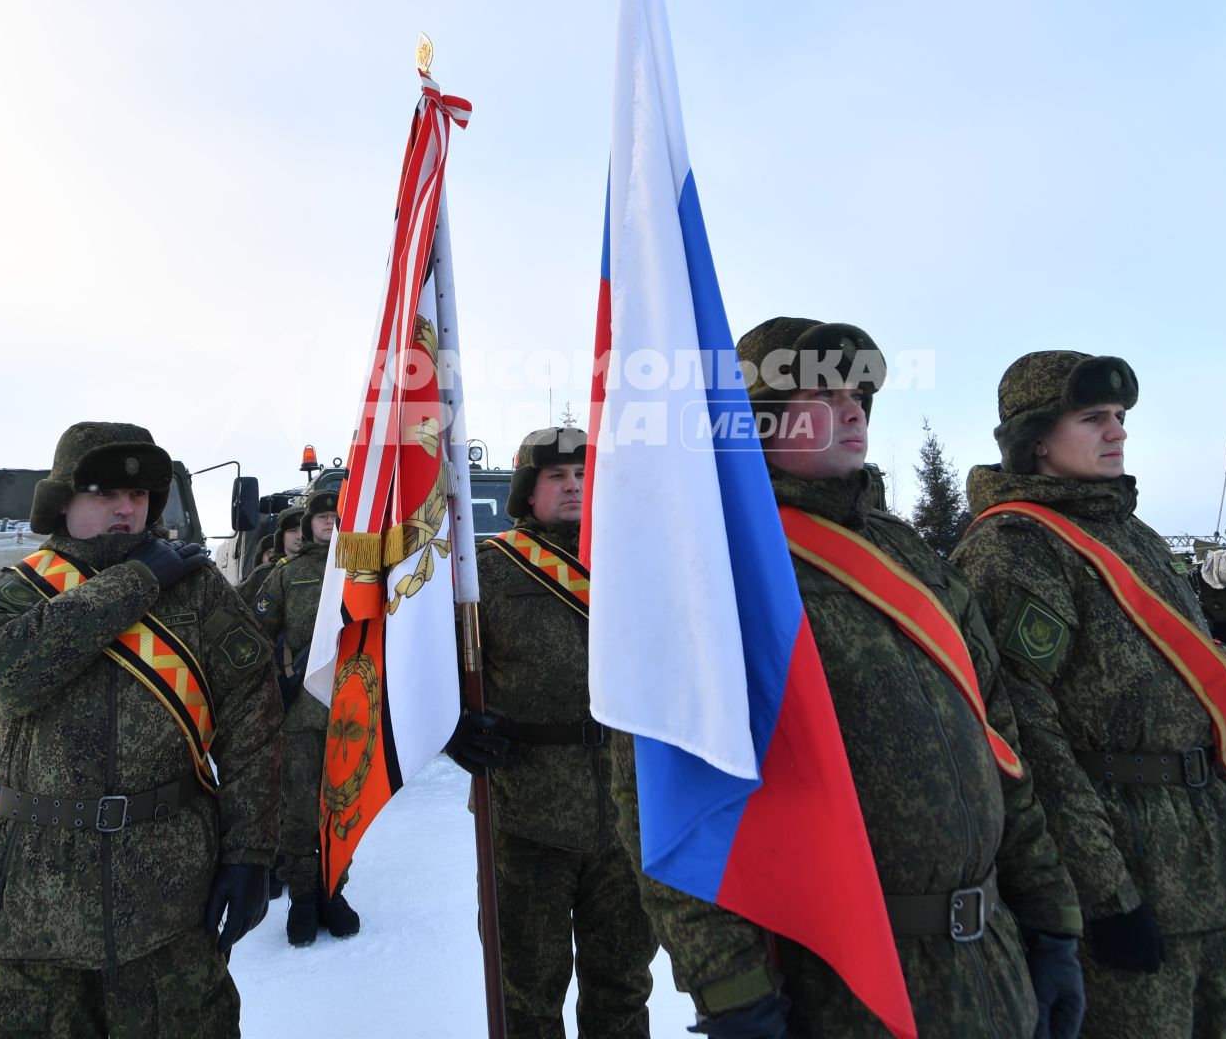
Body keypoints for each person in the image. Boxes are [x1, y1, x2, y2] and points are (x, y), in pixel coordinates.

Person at [614, 319, 1084, 1039]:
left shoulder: (908, 556)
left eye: (859, 390)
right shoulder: (713, 571)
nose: (854, 406)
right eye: (823, 391)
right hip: (837, 984)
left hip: (992, 966)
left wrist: (1052, 919)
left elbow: (1000, 743)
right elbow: (668, 800)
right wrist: (732, 988)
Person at [952, 353, 1226, 1038]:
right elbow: (1028, 740)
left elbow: (1206, 701)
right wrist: (1104, 897)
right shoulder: (1014, 550)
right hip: (1125, 878)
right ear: (1037, 438)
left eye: (1121, 417)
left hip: (1206, 865)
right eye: (1093, 418)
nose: (1118, 433)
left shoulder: (1134, 536)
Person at [0, 421, 283, 1037]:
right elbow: (9, 680)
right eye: (105, 492)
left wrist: (251, 855)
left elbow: (253, 728)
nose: (128, 507)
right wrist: (137, 581)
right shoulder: (9, 594)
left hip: (168, 892)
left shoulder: (200, 593)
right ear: (63, 502)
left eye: (142, 494)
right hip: (34, 900)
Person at [445, 427, 659, 1038]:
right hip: (524, 813)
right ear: (527, 492)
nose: (573, 486)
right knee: (526, 990)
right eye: (556, 477)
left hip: (627, 810)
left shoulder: (638, 564)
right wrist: (452, 726)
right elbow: (433, 670)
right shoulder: (483, 571)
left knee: (622, 986)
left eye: (583, 475)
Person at [250, 487, 359, 945]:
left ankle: (333, 890)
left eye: (338, 516)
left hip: (352, 707)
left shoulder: (363, 571)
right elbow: (257, 633)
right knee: (298, 809)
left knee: (343, 805)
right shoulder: (288, 575)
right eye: (322, 518)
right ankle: (302, 896)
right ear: (310, 523)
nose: (330, 524)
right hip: (300, 712)